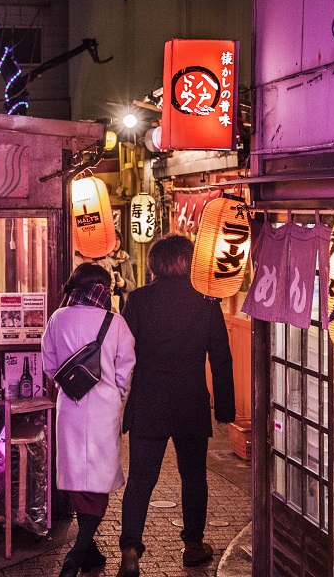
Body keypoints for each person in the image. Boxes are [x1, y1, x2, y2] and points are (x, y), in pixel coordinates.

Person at [116, 234, 235, 576]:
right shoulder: (207, 303)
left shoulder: (137, 301)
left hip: (148, 402)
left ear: (155, 263)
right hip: (190, 402)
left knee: (141, 479)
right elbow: (221, 357)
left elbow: (124, 353)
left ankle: (130, 547)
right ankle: (193, 546)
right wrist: (226, 409)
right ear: (190, 262)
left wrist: (120, 397)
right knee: (193, 477)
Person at [42, 263, 136, 577]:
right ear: (104, 289)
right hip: (104, 410)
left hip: (69, 406)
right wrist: (114, 394)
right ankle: (78, 552)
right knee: (96, 482)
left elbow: (50, 363)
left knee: (76, 478)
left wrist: (67, 386)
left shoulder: (58, 318)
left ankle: (87, 553)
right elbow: (125, 370)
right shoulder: (116, 322)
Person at [74, 230, 136, 312]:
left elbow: (133, 285)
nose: (115, 242)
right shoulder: (101, 258)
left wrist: (123, 282)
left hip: (121, 303)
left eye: (117, 239)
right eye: (112, 240)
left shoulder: (125, 260)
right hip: (101, 301)